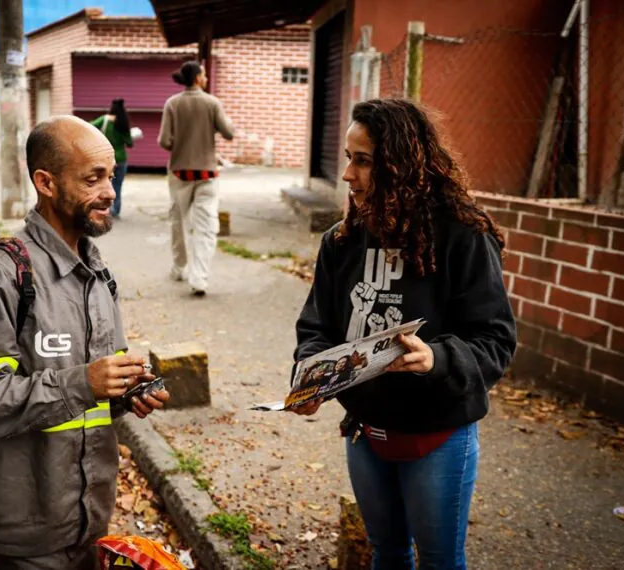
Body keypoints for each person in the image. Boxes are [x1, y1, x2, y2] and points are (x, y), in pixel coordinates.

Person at [291, 99, 516, 570]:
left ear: (402, 165)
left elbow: (495, 340)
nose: (348, 175)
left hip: (436, 438)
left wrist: (436, 358)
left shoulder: (462, 236)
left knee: (439, 561)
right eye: (348, 158)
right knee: (387, 553)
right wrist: (309, 375)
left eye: (364, 160)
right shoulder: (341, 241)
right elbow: (317, 325)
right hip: (365, 435)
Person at [0, 115, 170, 570]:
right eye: (93, 179)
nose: (110, 191)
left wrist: (125, 393)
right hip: (27, 519)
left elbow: (92, 387)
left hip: (90, 513)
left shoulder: (98, 273)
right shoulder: (1, 272)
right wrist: (84, 383)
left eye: (110, 176)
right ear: (45, 183)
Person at [158, 60, 235, 296]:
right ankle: (199, 278)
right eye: (204, 74)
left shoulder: (172, 103)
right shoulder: (212, 103)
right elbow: (229, 133)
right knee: (206, 226)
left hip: (179, 174)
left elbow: (164, 141)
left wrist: (181, 142)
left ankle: (179, 267)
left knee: (178, 221)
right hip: (207, 175)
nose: (207, 78)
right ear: (198, 78)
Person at [90, 99, 134, 219]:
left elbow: (89, 127)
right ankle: (115, 210)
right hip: (121, 159)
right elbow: (130, 143)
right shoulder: (123, 123)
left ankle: (105, 208)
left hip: (105, 158)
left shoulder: (104, 120)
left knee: (103, 184)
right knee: (117, 185)